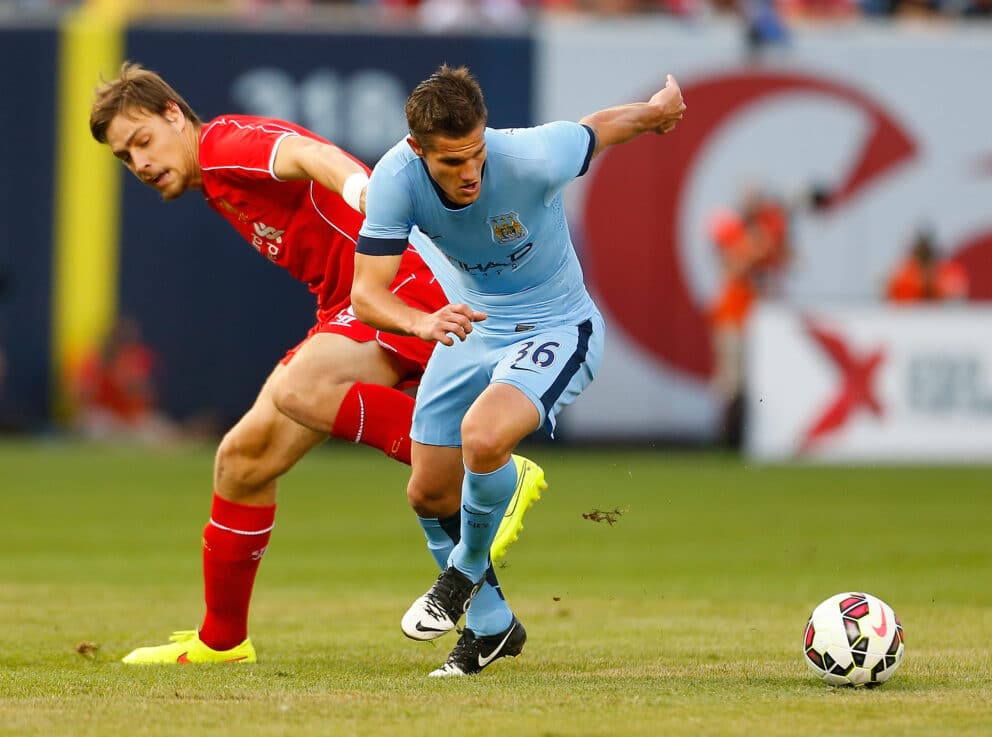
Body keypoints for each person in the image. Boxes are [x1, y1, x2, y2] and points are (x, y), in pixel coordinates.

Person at [88, 61, 546, 665]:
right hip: (350, 301)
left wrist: (363, 193)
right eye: (125, 157)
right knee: (243, 461)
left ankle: (490, 468)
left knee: (301, 388)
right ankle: (223, 642)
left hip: (398, 282)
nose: (140, 163)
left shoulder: (222, 146)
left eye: (143, 140)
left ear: (175, 115)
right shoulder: (214, 180)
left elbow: (306, 154)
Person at [351, 64, 685, 676]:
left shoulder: (527, 156)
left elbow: (600, 128)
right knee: (427, 490)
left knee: (482, 438)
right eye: (451, 162)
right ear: (417, 149)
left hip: (558, 326)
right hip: (468, 325)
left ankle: (462, 573)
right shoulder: (396, 179)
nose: (470, 172)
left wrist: (658, 111)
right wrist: (422, 324)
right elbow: (367, 295)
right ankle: (491, 626)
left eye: (476, 153)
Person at [706, 187, 790, 448]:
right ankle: (727, 437)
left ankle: (741, 437)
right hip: (732, 317)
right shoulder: (736, 232)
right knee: (731, 381)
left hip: (754, 320)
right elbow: (730, 266)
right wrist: (755, 246)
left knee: (749, 381)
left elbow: (785, 261)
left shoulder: (763, 233)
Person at [73, 315, 181, 445]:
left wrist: (132, 383)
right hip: (106, 420)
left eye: (126, 338)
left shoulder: (139, 358)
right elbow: (81, 397)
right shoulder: (96, 360)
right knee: (93, 424)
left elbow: (150, 395)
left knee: (161, 431)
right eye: (118, 338)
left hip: (134, 420)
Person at [885, 229, 968, 304]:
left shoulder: (947, 272)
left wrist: (933, 285)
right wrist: (919, 285)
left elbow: (955, 298)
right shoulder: (904, 273)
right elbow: (897, 299)